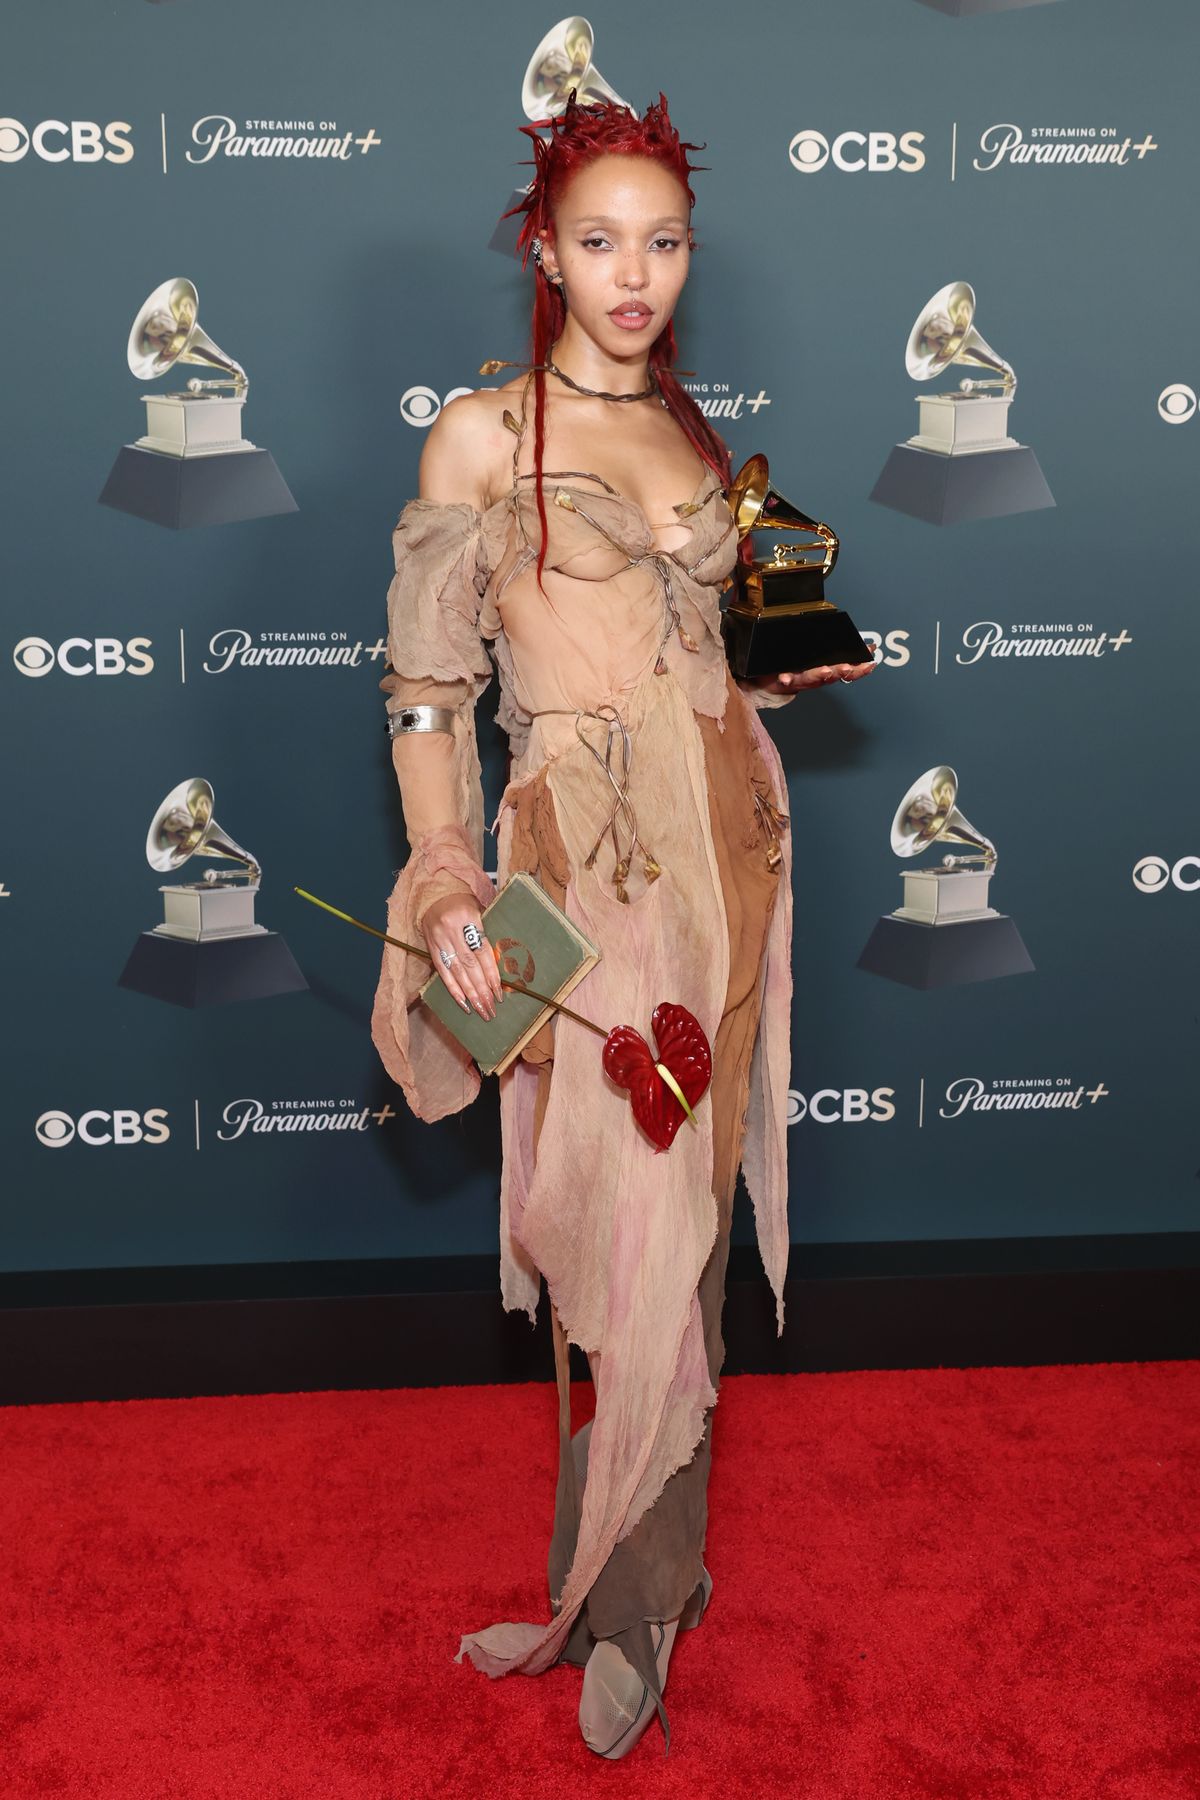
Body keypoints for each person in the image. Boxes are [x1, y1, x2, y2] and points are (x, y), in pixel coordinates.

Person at [370, 89, 875, 1760]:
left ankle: (642, 1591)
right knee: (617, 1229)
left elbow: (718, 666)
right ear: (546, 249)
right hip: (581, 878)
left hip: (728, 852)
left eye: (663, 242)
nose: (635, 272)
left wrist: (779, 662)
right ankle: (627, 1573)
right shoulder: (479, 439)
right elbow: (431, 694)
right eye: (601, 240)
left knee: (690, 1226)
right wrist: (444, 874)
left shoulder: (699, 445)